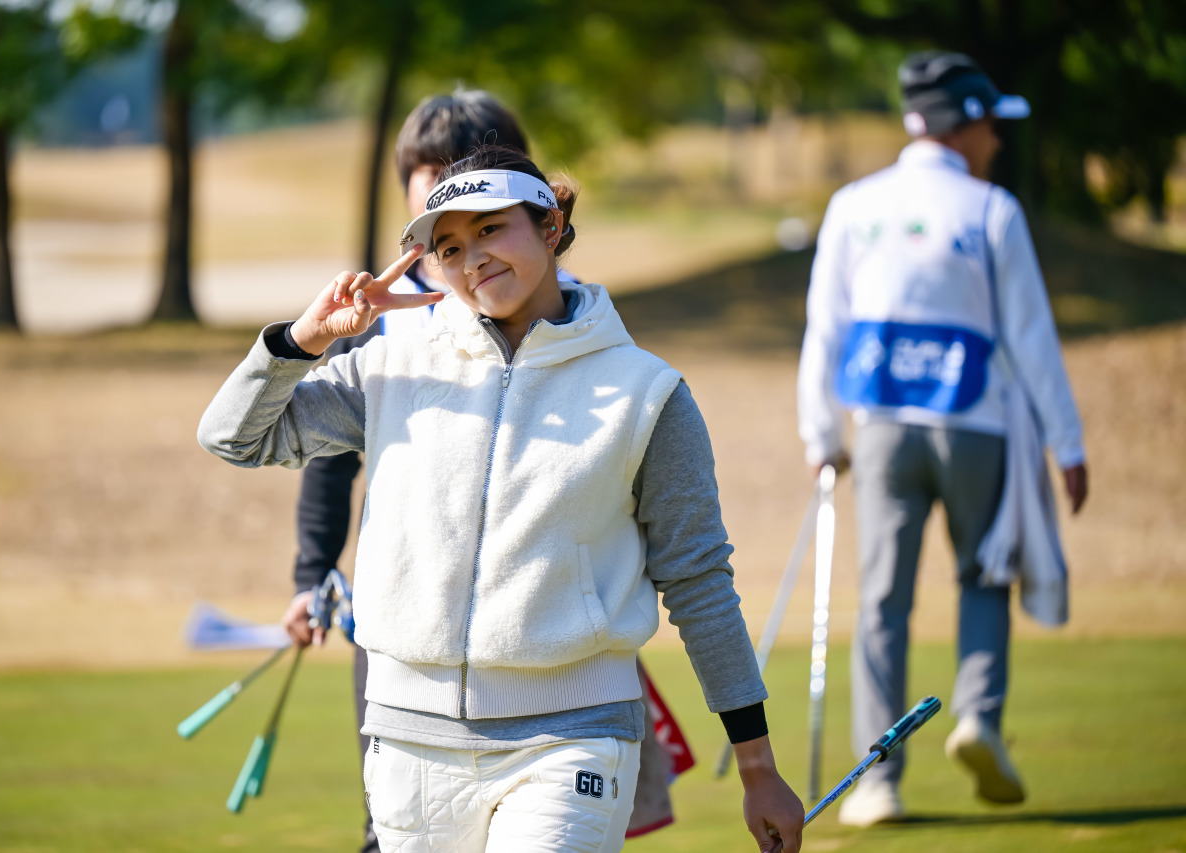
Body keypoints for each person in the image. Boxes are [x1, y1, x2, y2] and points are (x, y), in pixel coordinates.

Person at [200, 145, 804, 852]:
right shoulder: (390, 368)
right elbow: (233, 436)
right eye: (450, 248)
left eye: (491, 229)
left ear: (551, 227)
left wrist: (757, 767)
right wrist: (305, 339)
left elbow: (699, 581)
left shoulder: (647, 392)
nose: (473, 259)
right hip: (409, 743)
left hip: (574, 738)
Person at [279, 90, 687, 850]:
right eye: (435, 195)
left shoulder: (570, 327)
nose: (464, 246)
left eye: (484, 217)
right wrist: (313, 572)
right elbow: (315, 456)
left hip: (547, 658)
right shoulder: (378, 329)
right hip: (404, 637)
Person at [796, 51, 1089, 827]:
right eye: (992, 123)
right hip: (977, 426)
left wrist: (819, 430)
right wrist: (1067, 443)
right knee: (984, 575)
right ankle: (978, 718)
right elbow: (1032, 337)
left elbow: (825, 327)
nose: (998, 138)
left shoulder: (854, 203)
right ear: (964, 124)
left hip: (883, 428)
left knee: (882, 599)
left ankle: (878, 782)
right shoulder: (993, 209)